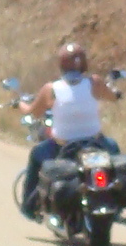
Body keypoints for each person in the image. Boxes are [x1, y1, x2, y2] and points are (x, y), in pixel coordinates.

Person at [16, 41, 120, 217]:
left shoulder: (51, 89)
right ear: (84, 63)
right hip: (96, 143)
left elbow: (34, 113)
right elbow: (112, 97)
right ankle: (118, 201)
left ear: (61, 64)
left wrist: (20, 105)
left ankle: (29, 207)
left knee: (36, 155)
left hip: (62, 147)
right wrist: (116, 93)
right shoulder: (95, 83)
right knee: (115, 151)